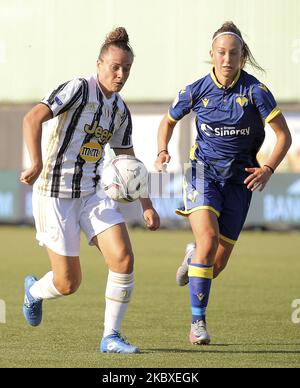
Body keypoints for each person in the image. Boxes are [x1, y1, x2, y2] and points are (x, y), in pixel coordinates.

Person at [20, 27, 160, 354]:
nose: (120, 74)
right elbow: (31, 118)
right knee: (68, 283)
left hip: (93, 193)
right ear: (99, 64)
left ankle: (110, 336)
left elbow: (127, 158)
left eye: (126, 68)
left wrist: (147, 205)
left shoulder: (120, 110)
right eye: (115, 66)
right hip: (55, 193)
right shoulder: (79, 89)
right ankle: (34, 292)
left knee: (123, 258)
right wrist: (36, 161)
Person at [155, 21, 292, 346]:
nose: (227, 59)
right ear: (211, 55)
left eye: (233, 53)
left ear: (242, 57)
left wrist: (269, 168)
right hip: (202, 173)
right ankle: (197, 324)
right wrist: (162, 151)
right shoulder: (196, 90)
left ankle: (193, 257)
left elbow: (283, 135)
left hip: (240, 181)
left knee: (213, 266)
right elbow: (168, 121)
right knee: (207, 239)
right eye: (221, 53)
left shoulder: (256, 91)